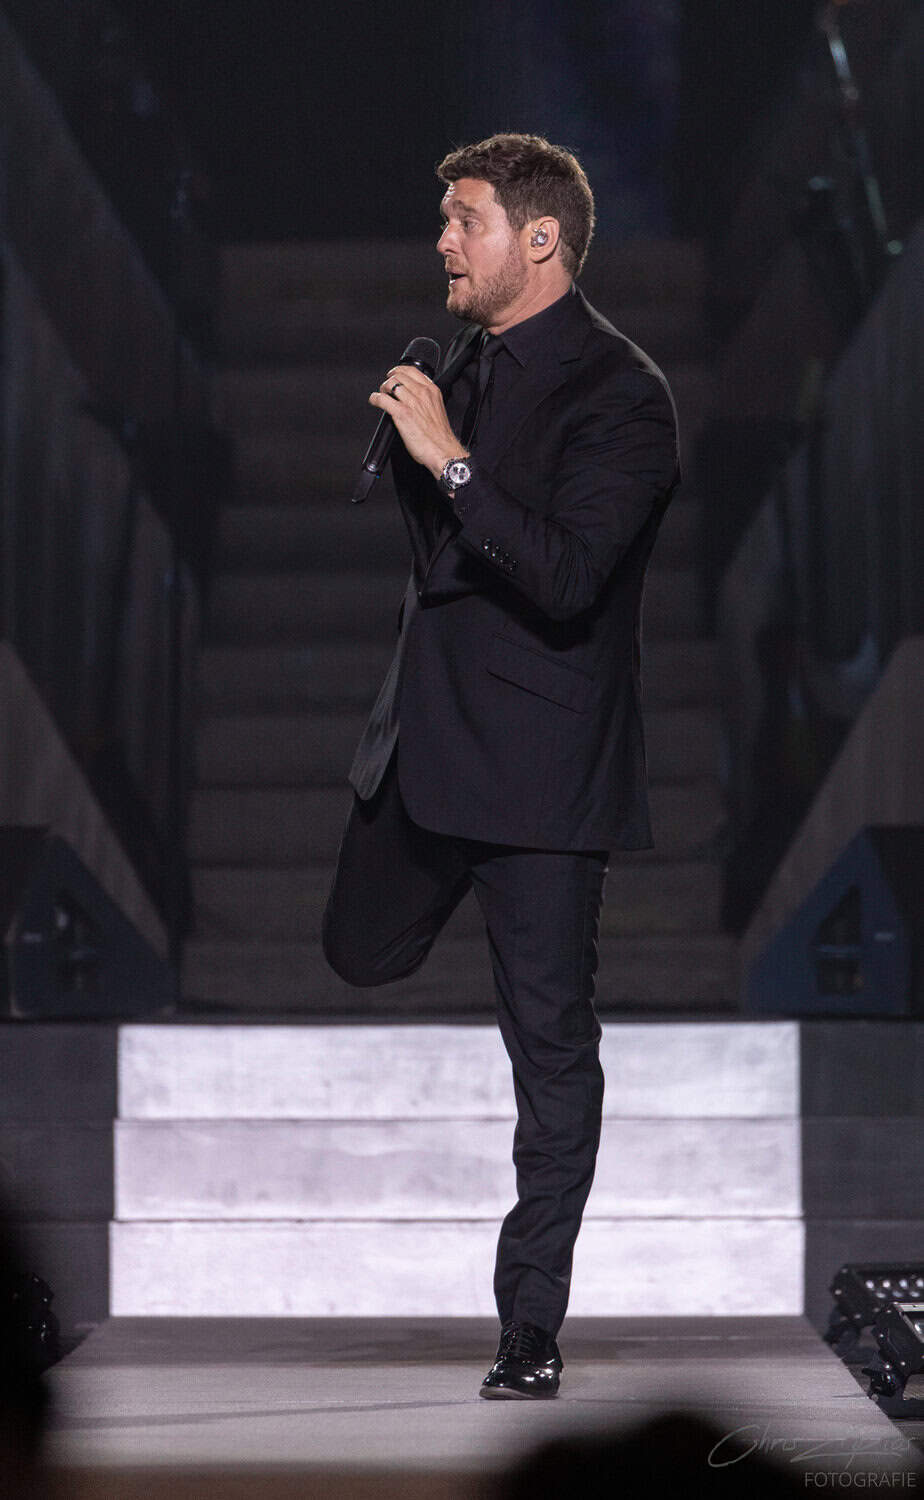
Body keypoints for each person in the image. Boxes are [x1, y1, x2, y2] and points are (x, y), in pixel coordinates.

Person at [322, 133, 680, 1399]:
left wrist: (452, 461)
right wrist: (433, 442)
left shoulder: (622, 394)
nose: (441, 242)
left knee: (550, 1049)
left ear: (538, 239)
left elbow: (569, 575)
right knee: (356, 948)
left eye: (461, 219)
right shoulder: (460, 363)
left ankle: (531, 1323)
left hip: (542, 772)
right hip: (430, 748)